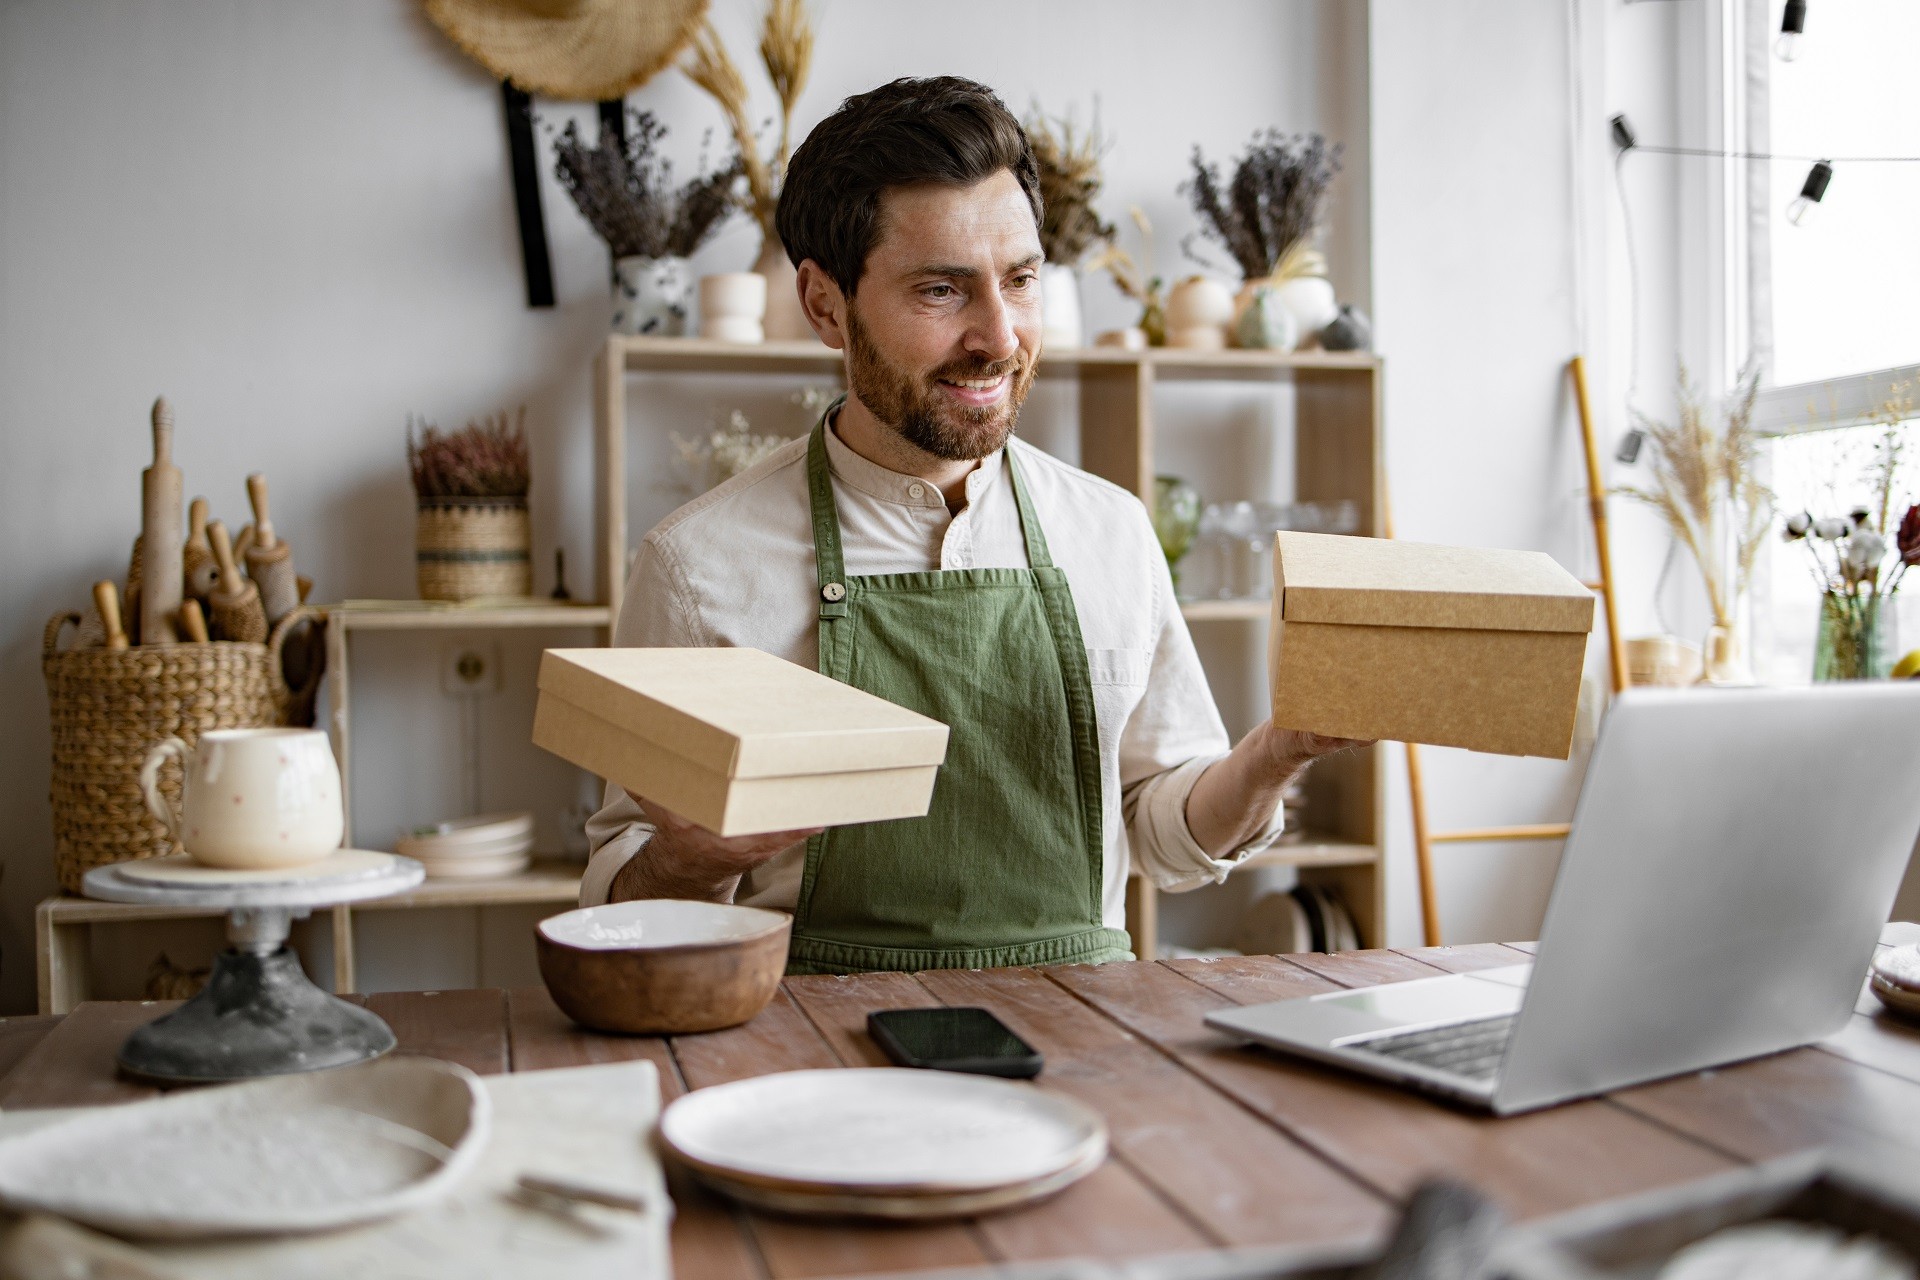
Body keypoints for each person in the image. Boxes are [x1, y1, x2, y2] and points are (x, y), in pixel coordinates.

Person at [582, 76, 1360, 974]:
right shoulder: (696, 567)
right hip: (817, 1064)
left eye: (1021, 281)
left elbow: (1159, 833)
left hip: (1083, 1047)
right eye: (943, 290)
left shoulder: (1110, 531)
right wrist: (692, 856)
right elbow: (618, 917)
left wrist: (1276, 752)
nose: (1000, 336)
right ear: (825, 303)